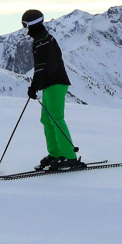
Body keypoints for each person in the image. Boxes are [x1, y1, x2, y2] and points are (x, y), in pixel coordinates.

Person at [23, 9, 82, 171]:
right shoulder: (41, 39)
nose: (26, 30)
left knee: (56, 119)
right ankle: (55, 154)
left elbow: (42, 67)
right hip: (49, 84)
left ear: (33, 24)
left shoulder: (43, 41)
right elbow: (41, 68)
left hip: (56, 83)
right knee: (47, 120)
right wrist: (37, 86)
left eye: (26, 25)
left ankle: (69, 156)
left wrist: (33, 86)